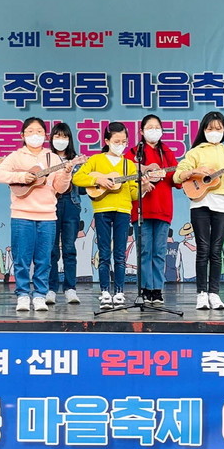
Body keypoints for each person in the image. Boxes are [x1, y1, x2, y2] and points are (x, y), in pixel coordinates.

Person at [0, 117, 73, 312]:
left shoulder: (53, 158)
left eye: (39, 132)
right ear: (22, 135)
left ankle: (39, 295)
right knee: (21, 258)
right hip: (22, 214)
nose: (35, 135)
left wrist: (67, 173)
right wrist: (22, 176)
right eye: (30, 131)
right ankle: (22, 295)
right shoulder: (16, 156)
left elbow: (60, 188)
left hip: (47, 215)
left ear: (45, 135)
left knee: (44, 259)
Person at [173, 112, 224, 311]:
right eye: (210, 128)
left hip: (222, 205)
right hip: (200, 203)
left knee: (216, 250)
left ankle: (214, 293)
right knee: (203, 249)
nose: (214, 132)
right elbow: (178, 175)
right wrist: (195, 171)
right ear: (203, 130)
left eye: (218, 129)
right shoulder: (195, 152)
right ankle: (201, 294)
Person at [73, 122, 149, 310]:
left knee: (120, 254)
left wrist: (144, 188)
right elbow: (77, 178)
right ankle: (105, 291)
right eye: (116, 141)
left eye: (124, 141)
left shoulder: (129, 164)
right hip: (102, 210)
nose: (120, 145)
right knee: (104, 253)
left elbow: (133, 194)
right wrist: (97, 179)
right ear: (107, 141)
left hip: (123, 210)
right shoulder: (96, 160)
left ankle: (120, 292)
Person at [125, 114, 179, 306]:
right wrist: (143, 174)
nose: (154, 131)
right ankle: (145, 288)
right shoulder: (134, 152)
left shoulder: (167, 152)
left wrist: (168, 174)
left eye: (157, 127)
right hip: (142, 208)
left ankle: (157, 290)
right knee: (144, 250)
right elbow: (126, 173)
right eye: (149, 127)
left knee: (159, 251)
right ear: (141, 131)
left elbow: (177, 180)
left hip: (163, 208)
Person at [47, 122, 82, 305]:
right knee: (51, 250)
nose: (61, 140)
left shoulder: (76, 159)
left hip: (71, 204)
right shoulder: (46, 158)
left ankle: (70, 289)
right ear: (52, 138)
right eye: (57, 136)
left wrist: (78, 171)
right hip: (50, 204)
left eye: (65, 136)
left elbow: (83, 189)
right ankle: (51, 288)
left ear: (70, 139)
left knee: (69, 248)